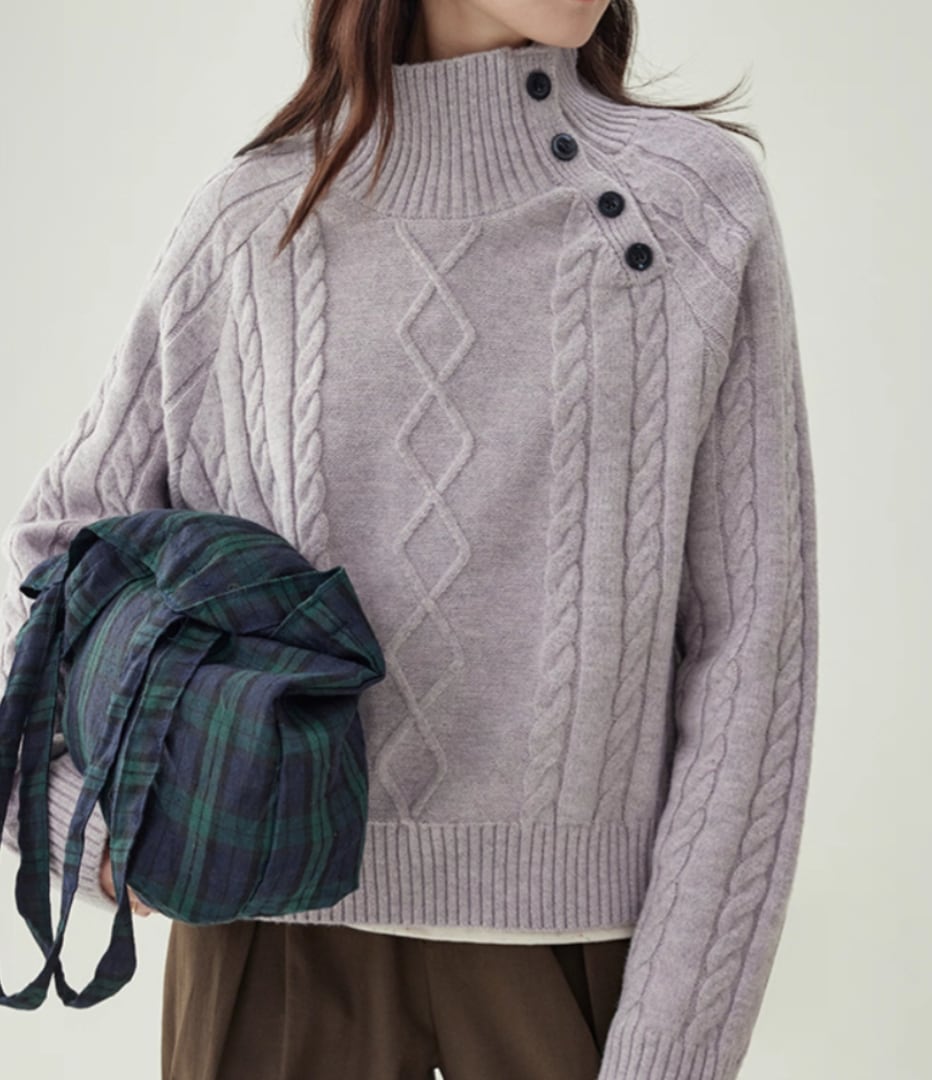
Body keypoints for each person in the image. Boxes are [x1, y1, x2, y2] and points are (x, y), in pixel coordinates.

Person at [0, 0, 819, 1077]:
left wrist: (676, 1046)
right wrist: (86, 818)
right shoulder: (249, 221)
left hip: (572, 962)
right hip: (268, 951)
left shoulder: (686, 210)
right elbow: (57, 561)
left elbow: (753, 659)